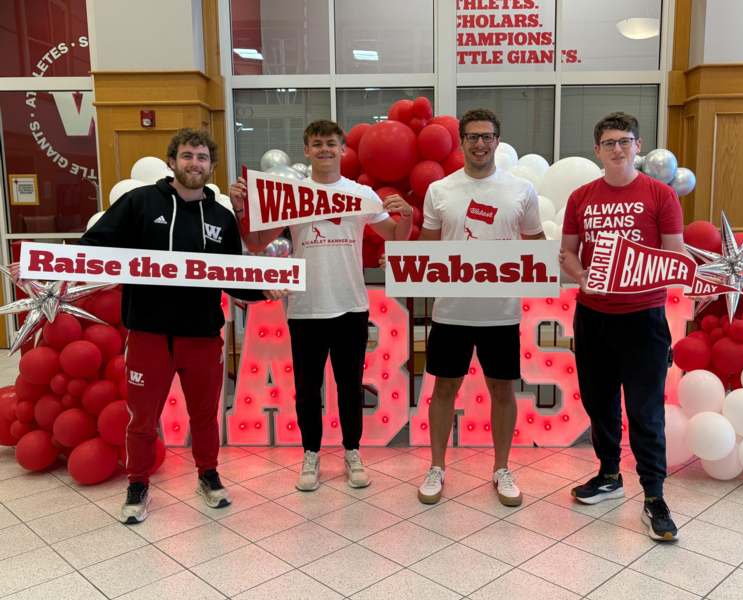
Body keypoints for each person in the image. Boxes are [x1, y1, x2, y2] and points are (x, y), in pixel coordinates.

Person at [82, 128, 269, 524]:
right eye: (187, 155)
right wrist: (51, 264)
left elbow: (234, 274)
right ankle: (137, 483)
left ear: (211, 166)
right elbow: (94, 245)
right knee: (142, 418)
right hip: (148, 333)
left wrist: (266, 290)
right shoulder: (140, 202)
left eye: (202, 157)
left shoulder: (220, 217)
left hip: (201, 334)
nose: (194, 164)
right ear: (172, 161)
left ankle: (208, 475)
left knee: (204, 415)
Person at [229, 119, 412, 492]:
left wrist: (406, 216)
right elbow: (257, 242)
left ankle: (352, 452)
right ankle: (310, 454)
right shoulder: (293, 195)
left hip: (351, 305)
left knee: (350, 387)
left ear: (342, 149)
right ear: (307, 150)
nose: (324, 149)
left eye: (331, 143)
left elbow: (394, 236)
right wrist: (240, 209)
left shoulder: (361, 194)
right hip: (305, 307)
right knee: (308, 388)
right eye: (317, 144)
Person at [559, 112, 684, 541]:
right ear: (597, 150)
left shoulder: (660, 195)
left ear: (638, 146)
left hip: (643, 318)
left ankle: (654, 497)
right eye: (609, 142)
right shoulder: (581, 197)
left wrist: (640, 275)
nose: (618, 149)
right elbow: (568, 253)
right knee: (600, 403)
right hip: (593, 316)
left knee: (645, 411)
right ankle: (609, 474)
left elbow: (674, 254)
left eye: (625, 141)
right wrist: (582, 277)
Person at [417, 108, 544, 507]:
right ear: (462, 142)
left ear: (497, 141)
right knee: (443, 389)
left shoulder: (521, 190)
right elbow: (426, 250)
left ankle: (501, 468)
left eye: (487, 136)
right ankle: (436, 467)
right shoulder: (440, 190)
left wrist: (560, 262)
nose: (479, 144)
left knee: (502, 390)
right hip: (450, 311)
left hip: (501, 313)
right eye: (472, 136)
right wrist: (401, 260)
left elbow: (537, 245)